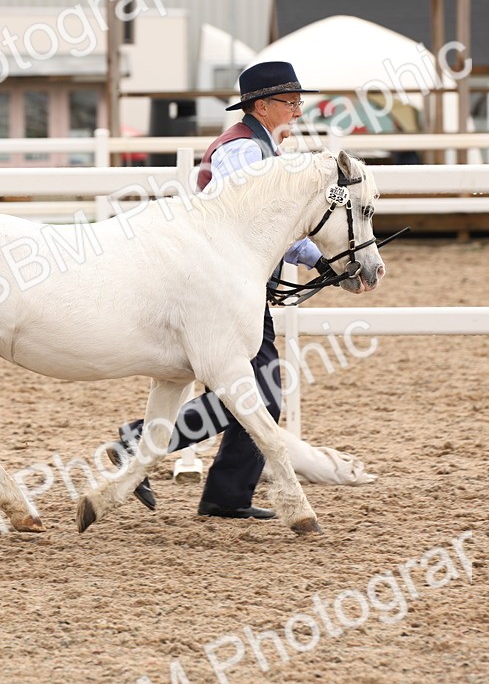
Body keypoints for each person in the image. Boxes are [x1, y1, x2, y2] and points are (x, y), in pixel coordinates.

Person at [110, 61, 328, 519]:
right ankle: (147, 445)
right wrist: (316, 258)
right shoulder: (243, 153)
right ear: (262, 106)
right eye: (291, 103)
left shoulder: (258, 149)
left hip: (232, 288)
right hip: (222, 293)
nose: (298, 112)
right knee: (261, 392)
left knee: (255, 391)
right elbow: (256, 223)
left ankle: (226, 496)